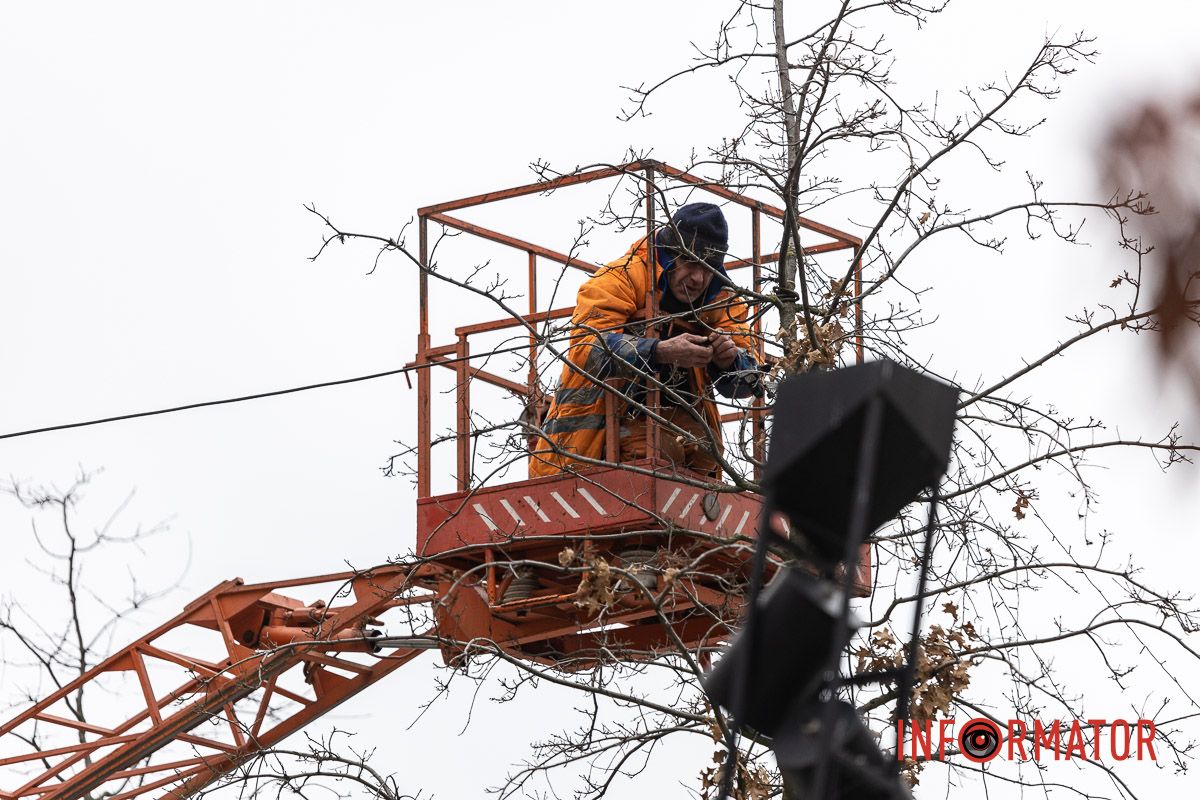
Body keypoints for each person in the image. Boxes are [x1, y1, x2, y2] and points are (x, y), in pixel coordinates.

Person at [529, 202, 762, 478]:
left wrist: (730, 360)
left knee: (707, 452)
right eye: (690, 262)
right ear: (670, 254)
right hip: (584, 448)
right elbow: (586, 349)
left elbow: (751, 380)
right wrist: (661, 351)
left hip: (678, 424)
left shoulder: (721, 298)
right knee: (655, 449)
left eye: (708, 267)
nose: (698, 278)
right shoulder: (621, 277)